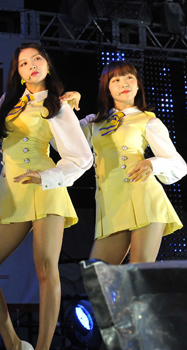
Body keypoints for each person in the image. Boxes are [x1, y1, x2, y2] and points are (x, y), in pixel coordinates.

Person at [0, 43, 92, 350]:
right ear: (18, 72)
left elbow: (81, 157)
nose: (31, 65)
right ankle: (15, 345)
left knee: (46, 268)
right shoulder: (8, 103)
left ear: (48, 65)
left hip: (46, 189)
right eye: (24, 63)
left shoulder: (58, 105)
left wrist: (46, 176)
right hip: (13, 192)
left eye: (37, 59)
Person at [61, 60, 185, 264]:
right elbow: (63, 141)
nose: (124, 83)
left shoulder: (148, 120)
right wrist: (65, 107)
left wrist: (153, 164)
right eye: (116, 80)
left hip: (144, 198)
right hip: (110, 203)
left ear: (137, 85)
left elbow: (179, 164)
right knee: (99, 274)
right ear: (107, 89)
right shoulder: (93, 122)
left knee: (139, 273)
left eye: (129, 78)